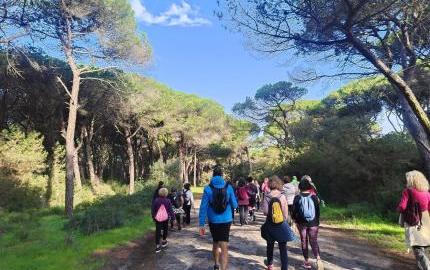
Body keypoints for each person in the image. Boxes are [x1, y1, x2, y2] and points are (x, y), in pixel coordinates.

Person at [199, 166, 238, 270]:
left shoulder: (207, 188)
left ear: (213, 175)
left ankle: (216, 264)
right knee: (224, 246)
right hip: (226, 220)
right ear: (222, 175)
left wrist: (201, 224)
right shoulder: (228, 187)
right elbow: (234, 205)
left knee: (215, 242)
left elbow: (203, 207)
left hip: (213, 220)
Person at [397, 170, 430, 270]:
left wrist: (398, 209)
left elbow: (402, 207)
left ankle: (427, 267)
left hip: (413, 221)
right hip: (426, 221)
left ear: (411, 181)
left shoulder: (407, 191)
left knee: (417, 248)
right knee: (424, 247)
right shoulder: (427, 193)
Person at [261, 176, 295, 270]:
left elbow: (265, 212)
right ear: (279, 184)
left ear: (269, 185)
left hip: (269, 224)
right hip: (281, 225)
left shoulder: (267, 197)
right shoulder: (282, 196)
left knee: (270, 246)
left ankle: (270, 265)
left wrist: (272, 215)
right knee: (283, 248)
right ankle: (284, 267)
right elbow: (285, 213)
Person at [293, 178, 323, 270]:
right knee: (313, 241)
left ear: (300, 187)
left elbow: (294, 212)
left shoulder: (297, 197)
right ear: (309, 187)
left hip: (302, 223)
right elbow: (317, 211)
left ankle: (307, 262)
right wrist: (317, 222)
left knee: (304, 241)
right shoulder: (314, 197)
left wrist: (295, 220)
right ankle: (318, 259)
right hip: (313, 223)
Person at [152, 187, 175, 253]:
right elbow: (170, 210)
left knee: (158, 231)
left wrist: (153, 217)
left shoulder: (156, 200)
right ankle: (164, 241)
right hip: (165, 218)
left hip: (158, 218)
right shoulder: (168, 201)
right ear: (166, 193)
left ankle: (157, 246)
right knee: (165, 229)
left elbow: (153, 210)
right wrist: (173, 218)